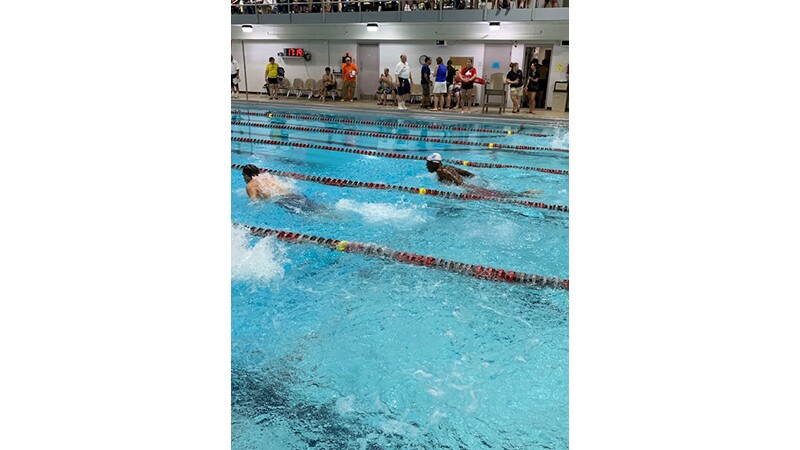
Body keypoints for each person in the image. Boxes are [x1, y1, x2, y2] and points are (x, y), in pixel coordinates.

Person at [425, 154, 543, 197]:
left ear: (433, 163)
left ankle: (526, 194)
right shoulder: (448, 167)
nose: (426, 166)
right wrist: (477, 180)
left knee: (499, 197)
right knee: (499, 195)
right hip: (471, 186)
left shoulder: (442, 171)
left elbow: (459, 182)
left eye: (428, 163)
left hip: (470, 189)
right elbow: (466, 173)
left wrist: (466, 191)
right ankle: (526, 193)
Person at [241, 164, 325, 214]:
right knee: (318, 208)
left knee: (310, 215)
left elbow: (255, 202)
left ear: (246, 175)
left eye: (243, 175)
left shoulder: (250, 185)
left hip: (283, 200)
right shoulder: (267, 177)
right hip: (293, 194)